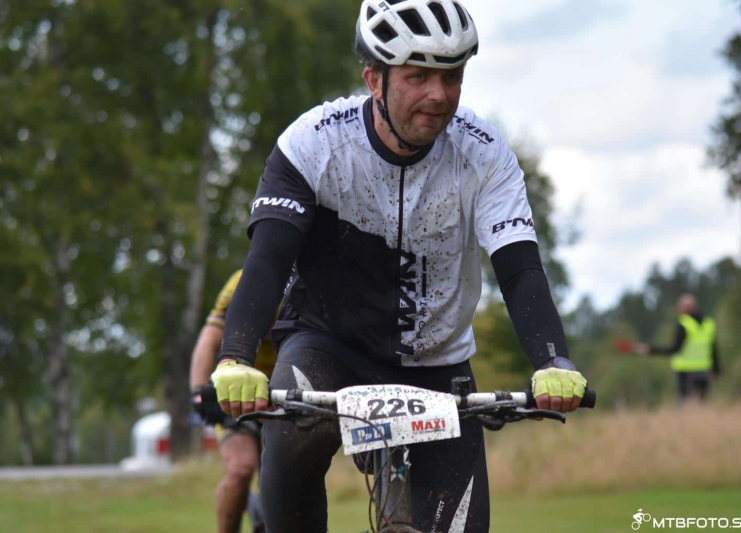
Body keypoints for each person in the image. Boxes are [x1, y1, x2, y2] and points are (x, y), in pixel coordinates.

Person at [211, 1, 588, 531]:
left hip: (438, 364)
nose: (438, 95)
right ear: (374, 80)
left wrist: (554, 360)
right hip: (328, 346)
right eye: (417, 77)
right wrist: (235, 357)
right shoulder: (314, 143)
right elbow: (268, 261)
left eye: (452, 76)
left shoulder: (484, 155)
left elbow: (520, 269)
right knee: (293, 435)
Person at [189, 269, 275, 533]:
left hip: (283, 392)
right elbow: (210, 336)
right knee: (241, 468)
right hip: (239, 389)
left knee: (288, 474)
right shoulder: (245, 279)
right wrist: (198, 391)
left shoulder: (316, 277)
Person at [633, 293, 720, 402]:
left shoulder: (684, 324)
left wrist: (651, 350)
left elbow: (675, 349)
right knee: (700, 404)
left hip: (685, 372)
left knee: (685, 404)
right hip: (703, 371)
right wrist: (716, 370)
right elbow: (714, 349)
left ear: (685, 308)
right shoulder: (709, 324)